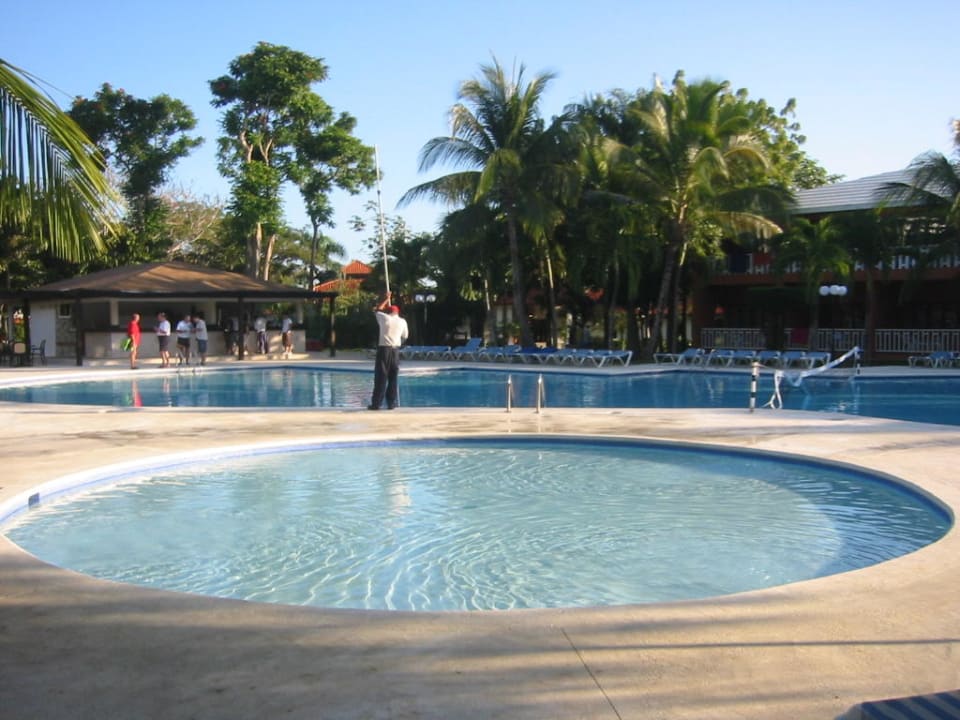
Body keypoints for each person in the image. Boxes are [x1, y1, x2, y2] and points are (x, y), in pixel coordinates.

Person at [368, 293, 408, 410]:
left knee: (381, 377)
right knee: (393, 377)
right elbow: (405, 336)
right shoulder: (402, 321)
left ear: (388, 312)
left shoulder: (384, 318)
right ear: (397, 312)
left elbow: (377, 309)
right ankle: (391, 403)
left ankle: (376, 404)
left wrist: (386, 299)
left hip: (384, 350)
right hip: (395, 350)